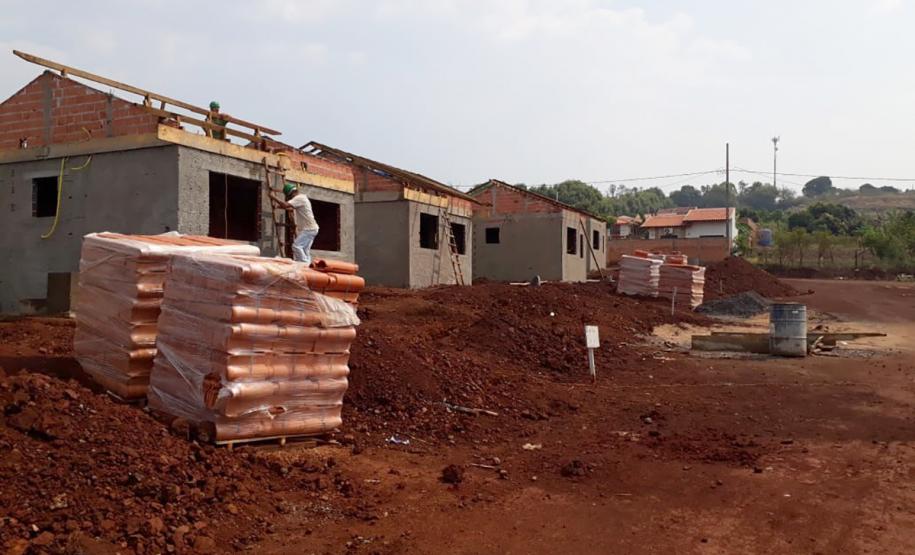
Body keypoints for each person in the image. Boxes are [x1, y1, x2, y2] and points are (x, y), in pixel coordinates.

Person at [270, 183, 320, 264]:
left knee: (296, 246)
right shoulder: (302, 198)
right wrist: (278, 207)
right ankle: (308, 265)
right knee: (305, 249)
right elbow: (290, 208)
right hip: (313, 228)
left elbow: (286, 205)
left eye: (289, 196)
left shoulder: (299, 198)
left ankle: (303, 264)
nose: (289, 198)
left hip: (309, 228)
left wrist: (273, 197)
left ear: (291, 193)